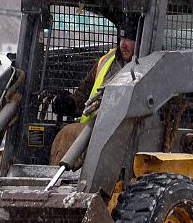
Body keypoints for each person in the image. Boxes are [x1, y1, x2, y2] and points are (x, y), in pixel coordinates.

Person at [49, 28, 136, 165]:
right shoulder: (106, 61)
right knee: (68, 133)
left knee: (68, 133)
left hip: (123, 133)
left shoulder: (151, 66)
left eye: (129, 39)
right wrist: (69, 103)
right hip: (93, 129)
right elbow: (84, 93)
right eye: (121, 39)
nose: (123, 44)